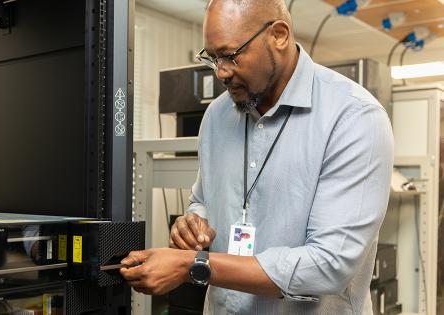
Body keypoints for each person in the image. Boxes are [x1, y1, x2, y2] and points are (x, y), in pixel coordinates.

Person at [120, 0, 394, 313]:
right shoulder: (217, 116)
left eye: (230, 55)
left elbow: (329, 264)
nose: (221, 72)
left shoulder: (354, 118)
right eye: (212, 58)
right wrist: (192, 223)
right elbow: (203, 199)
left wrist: (195, 264)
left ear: (278, 35)